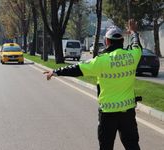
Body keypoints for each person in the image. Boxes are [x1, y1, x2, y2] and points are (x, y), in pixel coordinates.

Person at [44, 19, 142, 150]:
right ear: (122, 41)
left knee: (106, 146)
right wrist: (134, 32)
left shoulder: (101, 61)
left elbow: (77, 69)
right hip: (128, 113)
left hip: (108, 114)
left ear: (107, 41)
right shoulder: (133, 56)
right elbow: (137, 45)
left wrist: (55, 72)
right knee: (132, 146)